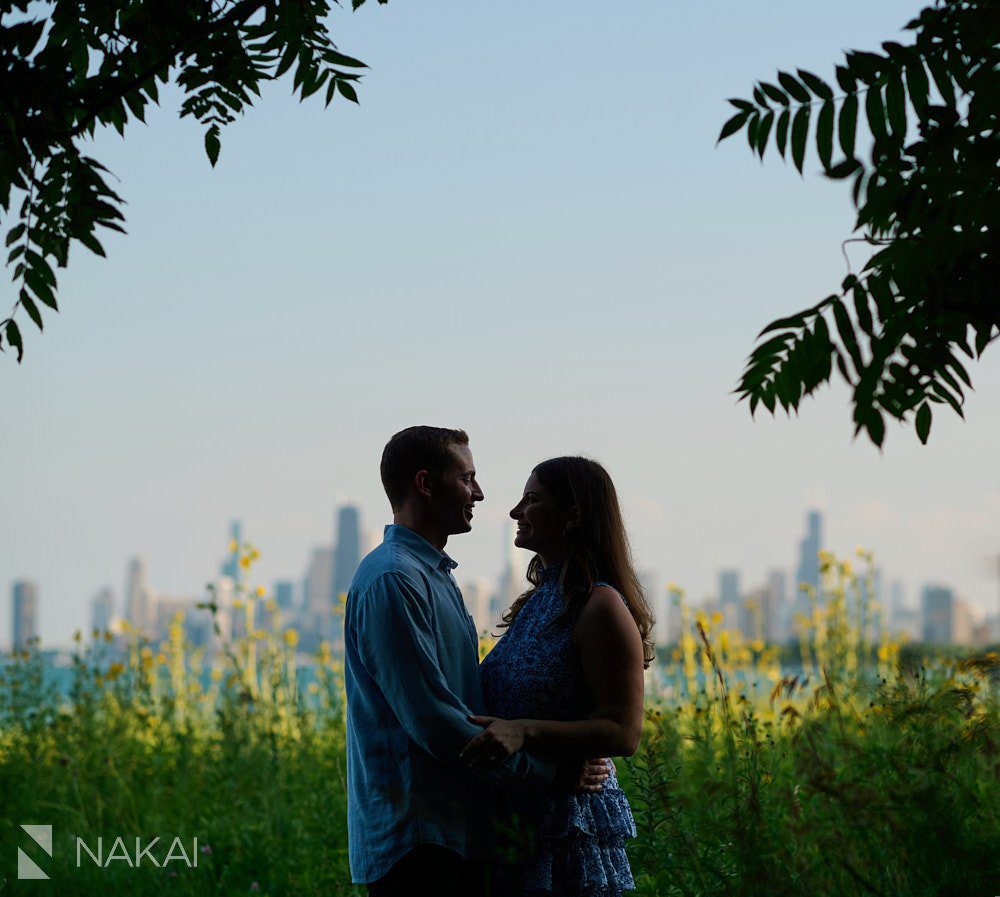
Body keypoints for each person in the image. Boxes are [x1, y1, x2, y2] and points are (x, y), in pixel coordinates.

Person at [344, 428, 610, 897]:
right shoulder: (393, 580)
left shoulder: (435, 576)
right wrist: (552, 775)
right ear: (425, 484)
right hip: (419, 840)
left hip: (457, 832)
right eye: (467, 478)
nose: (480, 493)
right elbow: (436, 723)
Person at [461, 456, 655, 897]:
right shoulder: (536, 603)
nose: (514, 512)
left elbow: (624, 733)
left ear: (573, 516)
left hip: (567, 830)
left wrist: (524, 732)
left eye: (531, 500)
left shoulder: (600, 606)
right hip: (514, 822)